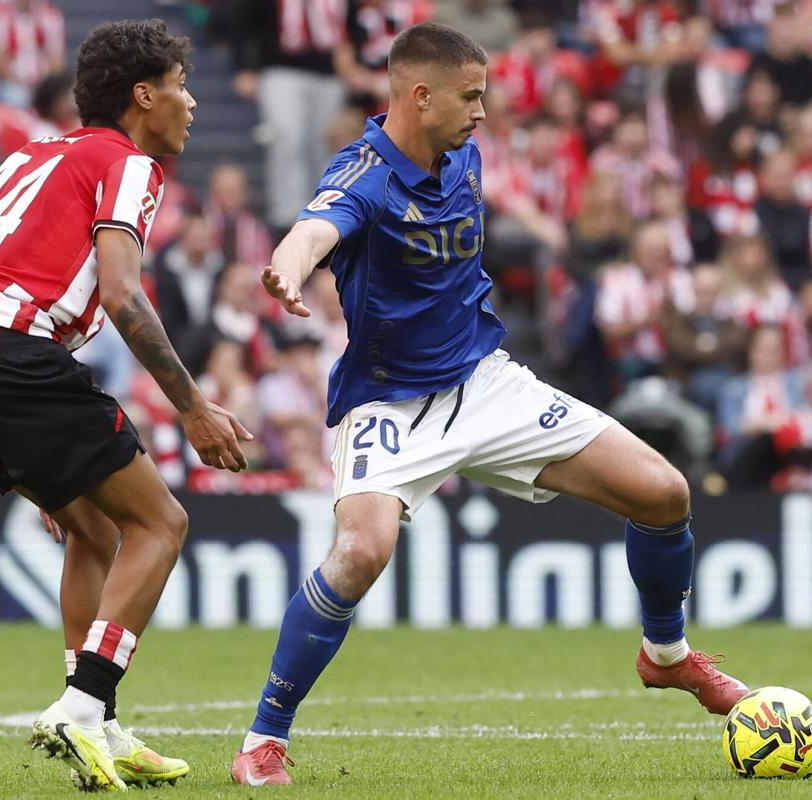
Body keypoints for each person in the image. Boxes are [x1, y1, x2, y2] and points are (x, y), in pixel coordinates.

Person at [231, 22, 747, 787]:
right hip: (389, 403)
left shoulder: (462, 151)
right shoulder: (365, 175)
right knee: (360, 553)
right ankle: (263, 738)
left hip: (485, 383)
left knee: (665, 493)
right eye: (470, 96)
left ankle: (665, 657)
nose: (483, 111)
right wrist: (286, 269)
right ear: (419, 96)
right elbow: (312, 229)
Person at [0, 19, 252, 792]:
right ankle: (82, 705)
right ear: (143, 96)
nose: (191, 103)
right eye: (178, 86)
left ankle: (99, 723)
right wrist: (194, 407)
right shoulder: (128, 162)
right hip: (11, 353)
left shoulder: (32, 153)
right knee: (161, 522)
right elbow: (125, 297)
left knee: (93, 528)